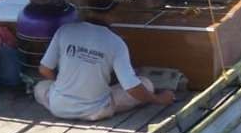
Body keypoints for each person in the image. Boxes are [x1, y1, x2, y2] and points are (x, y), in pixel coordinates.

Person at [33, 13, 175, 121]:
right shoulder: (116, 42)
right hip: (97, 110)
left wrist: (64, 86)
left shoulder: (65, 30)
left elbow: (44, 70)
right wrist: (159, 99)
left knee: (40, 87)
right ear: (110, 15)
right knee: (146, 84)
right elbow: (131, 87)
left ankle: (63, 99)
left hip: (59, 107)